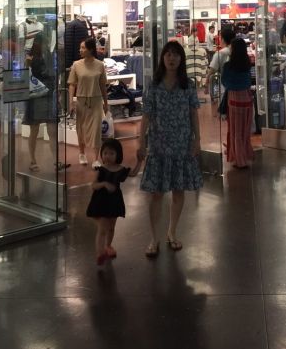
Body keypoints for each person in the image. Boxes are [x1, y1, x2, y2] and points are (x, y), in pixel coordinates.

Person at [137, 41, 202, 257]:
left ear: (181, 59)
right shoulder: (153, 85)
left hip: (182, 144)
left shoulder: (188, 85)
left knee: (178, 190)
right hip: (159, 145)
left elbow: (194, 113)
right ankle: (153, 238)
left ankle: (172, 232)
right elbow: (146, 115)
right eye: (168, 54)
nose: (171, 58)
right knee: (156, 193)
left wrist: (197, 140)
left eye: (175, 55)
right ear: (162, 58)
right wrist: (141, 141)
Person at [86, 137, 142, 266]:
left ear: (118, 155)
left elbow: (133, 173)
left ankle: (108, 246)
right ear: (102, 154)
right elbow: (93, 185)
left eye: (111, 153)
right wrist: (104, 184)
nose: (108, 156)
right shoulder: (100, 170)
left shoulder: (120, 169)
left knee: (111, 227)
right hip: (101, 202)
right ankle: (100, 253)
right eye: (105, 153)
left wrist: (139, 162)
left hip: (114, 202)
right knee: (102, 228)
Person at [24, 33, 68, 172]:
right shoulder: (32, 58)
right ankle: (33, 160)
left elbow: (55, 73)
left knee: (51, 130)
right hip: (37, 95)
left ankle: (55, 161)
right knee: (35, 129)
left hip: (48, 94)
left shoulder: (49, 56)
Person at [68, 37, 108, 167]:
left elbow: (103, 85)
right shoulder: (76, 65)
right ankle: (82, 153)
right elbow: (72, 84)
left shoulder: (100, 65)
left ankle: (96, 158)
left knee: (96, 129)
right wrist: (71, 102)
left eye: (83, 47)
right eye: (80, 47)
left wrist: (106, 103)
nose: (80, 50)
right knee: (81, 128)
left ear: (90, 49)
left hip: (96, 101)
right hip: (81, 100)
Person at [221, 38, 254, 169]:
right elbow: (248, 81)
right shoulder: (247, 64)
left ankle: (239, 159)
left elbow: (225, 82)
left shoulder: (228, 66)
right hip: (247, 99)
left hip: (234, 100)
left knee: (235, 131)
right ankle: (246, 154)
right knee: (245, 130)